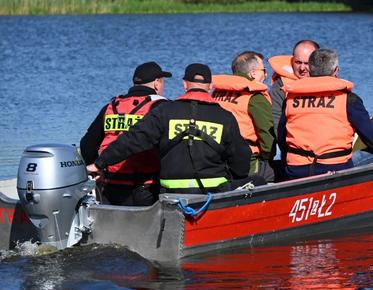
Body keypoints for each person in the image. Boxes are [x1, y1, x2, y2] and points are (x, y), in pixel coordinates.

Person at [87, 63, 253, 194]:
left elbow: (133, 139)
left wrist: (100, 163)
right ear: (210, 86)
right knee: (257, 180)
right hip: (212, 190)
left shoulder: (165, 111)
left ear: (184, 85)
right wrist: (234, 177)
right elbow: (241, 158)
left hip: (170, 191)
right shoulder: (224, 116)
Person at [277, 48, 373, 179]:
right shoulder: (348, 99)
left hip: (296, 171)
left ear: (310, 70)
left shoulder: (290, 98)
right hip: (334, 170)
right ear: (336, 71)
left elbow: (282, 138)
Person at [80, 61, 171, 206]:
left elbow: (87, 146)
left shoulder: (111, 107)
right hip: (146, 188)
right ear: (156, 84)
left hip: (111, 185)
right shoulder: (161, 107)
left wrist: (97, 168)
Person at [211, 51, 276, 183]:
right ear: (253, 73)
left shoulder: (217, 92)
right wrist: (266, 158)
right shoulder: (255, 96)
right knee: (272, 173)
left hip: (217, 154)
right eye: (264, 70)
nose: (266, 74)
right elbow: (267, 134)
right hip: (248, 158)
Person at [268, 39, 319, 127]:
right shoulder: (280, 86)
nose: (302, 68)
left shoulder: (327, 83)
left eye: (307, 63)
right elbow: (274, 119)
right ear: (292, 61)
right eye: (298, 62)